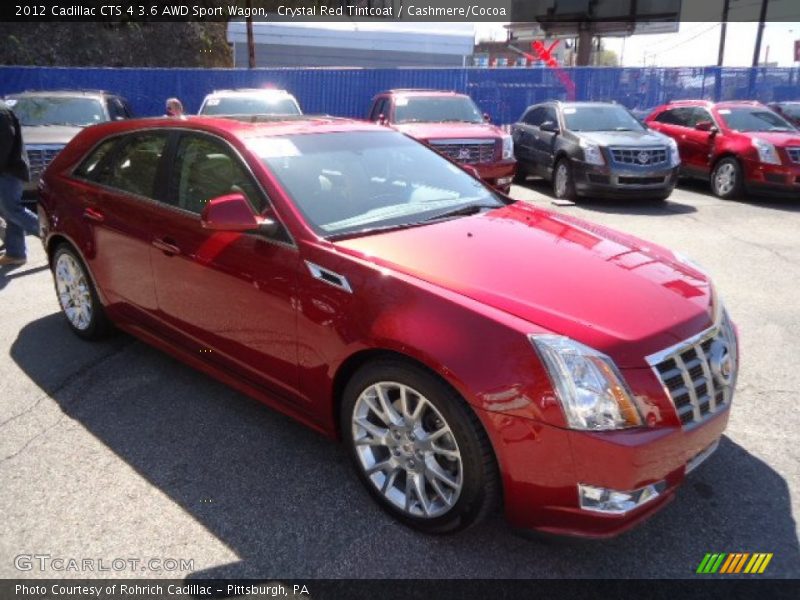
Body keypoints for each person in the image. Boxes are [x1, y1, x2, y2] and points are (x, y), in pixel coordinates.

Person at [0, 100, 37, 267]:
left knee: (12, 210)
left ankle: (50, 232)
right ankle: (15, 253)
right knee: (10, 212)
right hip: (8, 170)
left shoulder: (1, 113)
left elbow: (3, 146)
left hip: (8, 171)